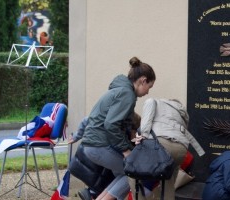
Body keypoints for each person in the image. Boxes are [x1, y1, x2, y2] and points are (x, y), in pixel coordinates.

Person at [81, 57, 156, 200]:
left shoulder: (121, 90)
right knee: (134, 173)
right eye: (149, 87)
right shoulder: (127, 94)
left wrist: (133, 140)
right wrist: (126, 150)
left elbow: (121, 123)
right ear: (143, 80)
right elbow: (111, 125)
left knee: (124, 174)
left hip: (93, 144)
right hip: (99, 145)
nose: (148, 92)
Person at [132, 98, 205, 200]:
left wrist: (141, 138)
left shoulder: (154, 101)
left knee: (131, 169)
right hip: (181, 150)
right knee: (168, 181)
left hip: (161, 144)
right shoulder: (183, 114)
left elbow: (145, 127)